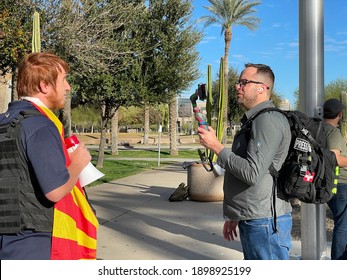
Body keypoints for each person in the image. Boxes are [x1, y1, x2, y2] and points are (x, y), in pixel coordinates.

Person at [0, 52, 98, 260]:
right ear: (45, 86)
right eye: (63, 80)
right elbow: (54, 191)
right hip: (34, 243)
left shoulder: (5, 122)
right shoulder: (41, 125)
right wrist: (78, 163)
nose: (68, 87)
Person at [198, 63, 292, 260]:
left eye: (243, 82)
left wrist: (216, 147)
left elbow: (252, 172)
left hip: (264, 221)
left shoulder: (267, 120)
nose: (237, 86)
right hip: (254, 217)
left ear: (261, 88)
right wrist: (236, 215)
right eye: (238, 82)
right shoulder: (255, 119)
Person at [323, 98, 347, 260]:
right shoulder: (333, 132)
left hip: (330, 183)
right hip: (341, 184)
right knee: (343, 226)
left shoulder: (318, 129)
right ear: (340, 114)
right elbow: (335, 158)